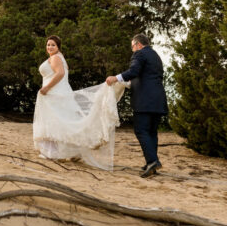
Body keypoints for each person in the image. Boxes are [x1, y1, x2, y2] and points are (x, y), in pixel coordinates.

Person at [32, 35, 123, 170]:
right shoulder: (59, 57)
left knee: (55, 122)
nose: (49, 47)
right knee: (62, 122)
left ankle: (52, 152)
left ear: (58, 47)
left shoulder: (56, 57)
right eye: (48, 44)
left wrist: (46, 87)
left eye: (53, 45)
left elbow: (60, 74)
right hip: (58, 93)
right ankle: (71, 151)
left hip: (54, 93)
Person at [106, 33, 167, 178]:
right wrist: (127, 83)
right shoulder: (155, 56)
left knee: (141, 130)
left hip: (144, 100)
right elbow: (145, 77)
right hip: (158, 99)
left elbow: (134, 71)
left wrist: (116, 78)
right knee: (152, 132)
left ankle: (152, 161)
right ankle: (153, 162)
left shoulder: (139, 54)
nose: (132, 50)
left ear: (138, 45)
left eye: (132, 46)